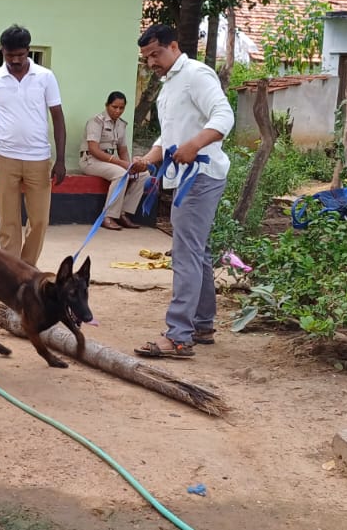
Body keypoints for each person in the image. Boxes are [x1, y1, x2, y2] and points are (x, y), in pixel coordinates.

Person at [128, 24, 233, 360]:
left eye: (156, 55)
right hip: (184, 175)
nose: (151, 63)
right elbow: (168, 137)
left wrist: (193, 145)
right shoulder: (170, 84)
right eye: (146, 58)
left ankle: (178, 336)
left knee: (185, 253)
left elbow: (224, 116)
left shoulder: (196, 74)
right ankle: (201, 324)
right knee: (196, 251)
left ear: (174, 46)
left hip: (200, 175)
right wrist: (146, 160)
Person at [0, 25, 65, 267]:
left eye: (20, 55)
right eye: (10, 55)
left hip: (39, 158)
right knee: (8, 222)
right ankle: (11, 272)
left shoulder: (45, 77)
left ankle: (28, 268)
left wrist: (61, 159)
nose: (15, 60)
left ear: (28, 51)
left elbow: (57, 117)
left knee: (40, 220)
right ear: (2, 52)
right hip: (6, 157)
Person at [79, 91, 147, 230]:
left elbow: (122, 150)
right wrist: (122, 165)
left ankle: (123, 213)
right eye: (114, 107)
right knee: (121, 174)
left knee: (143, 175)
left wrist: (130, 166)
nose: (118, 111)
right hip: (91, 161)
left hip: (109, 162)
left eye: (121, 108)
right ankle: (108, 216)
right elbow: (94, 149)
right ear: (107, 105)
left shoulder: (121, 124)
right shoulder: (96, 121)